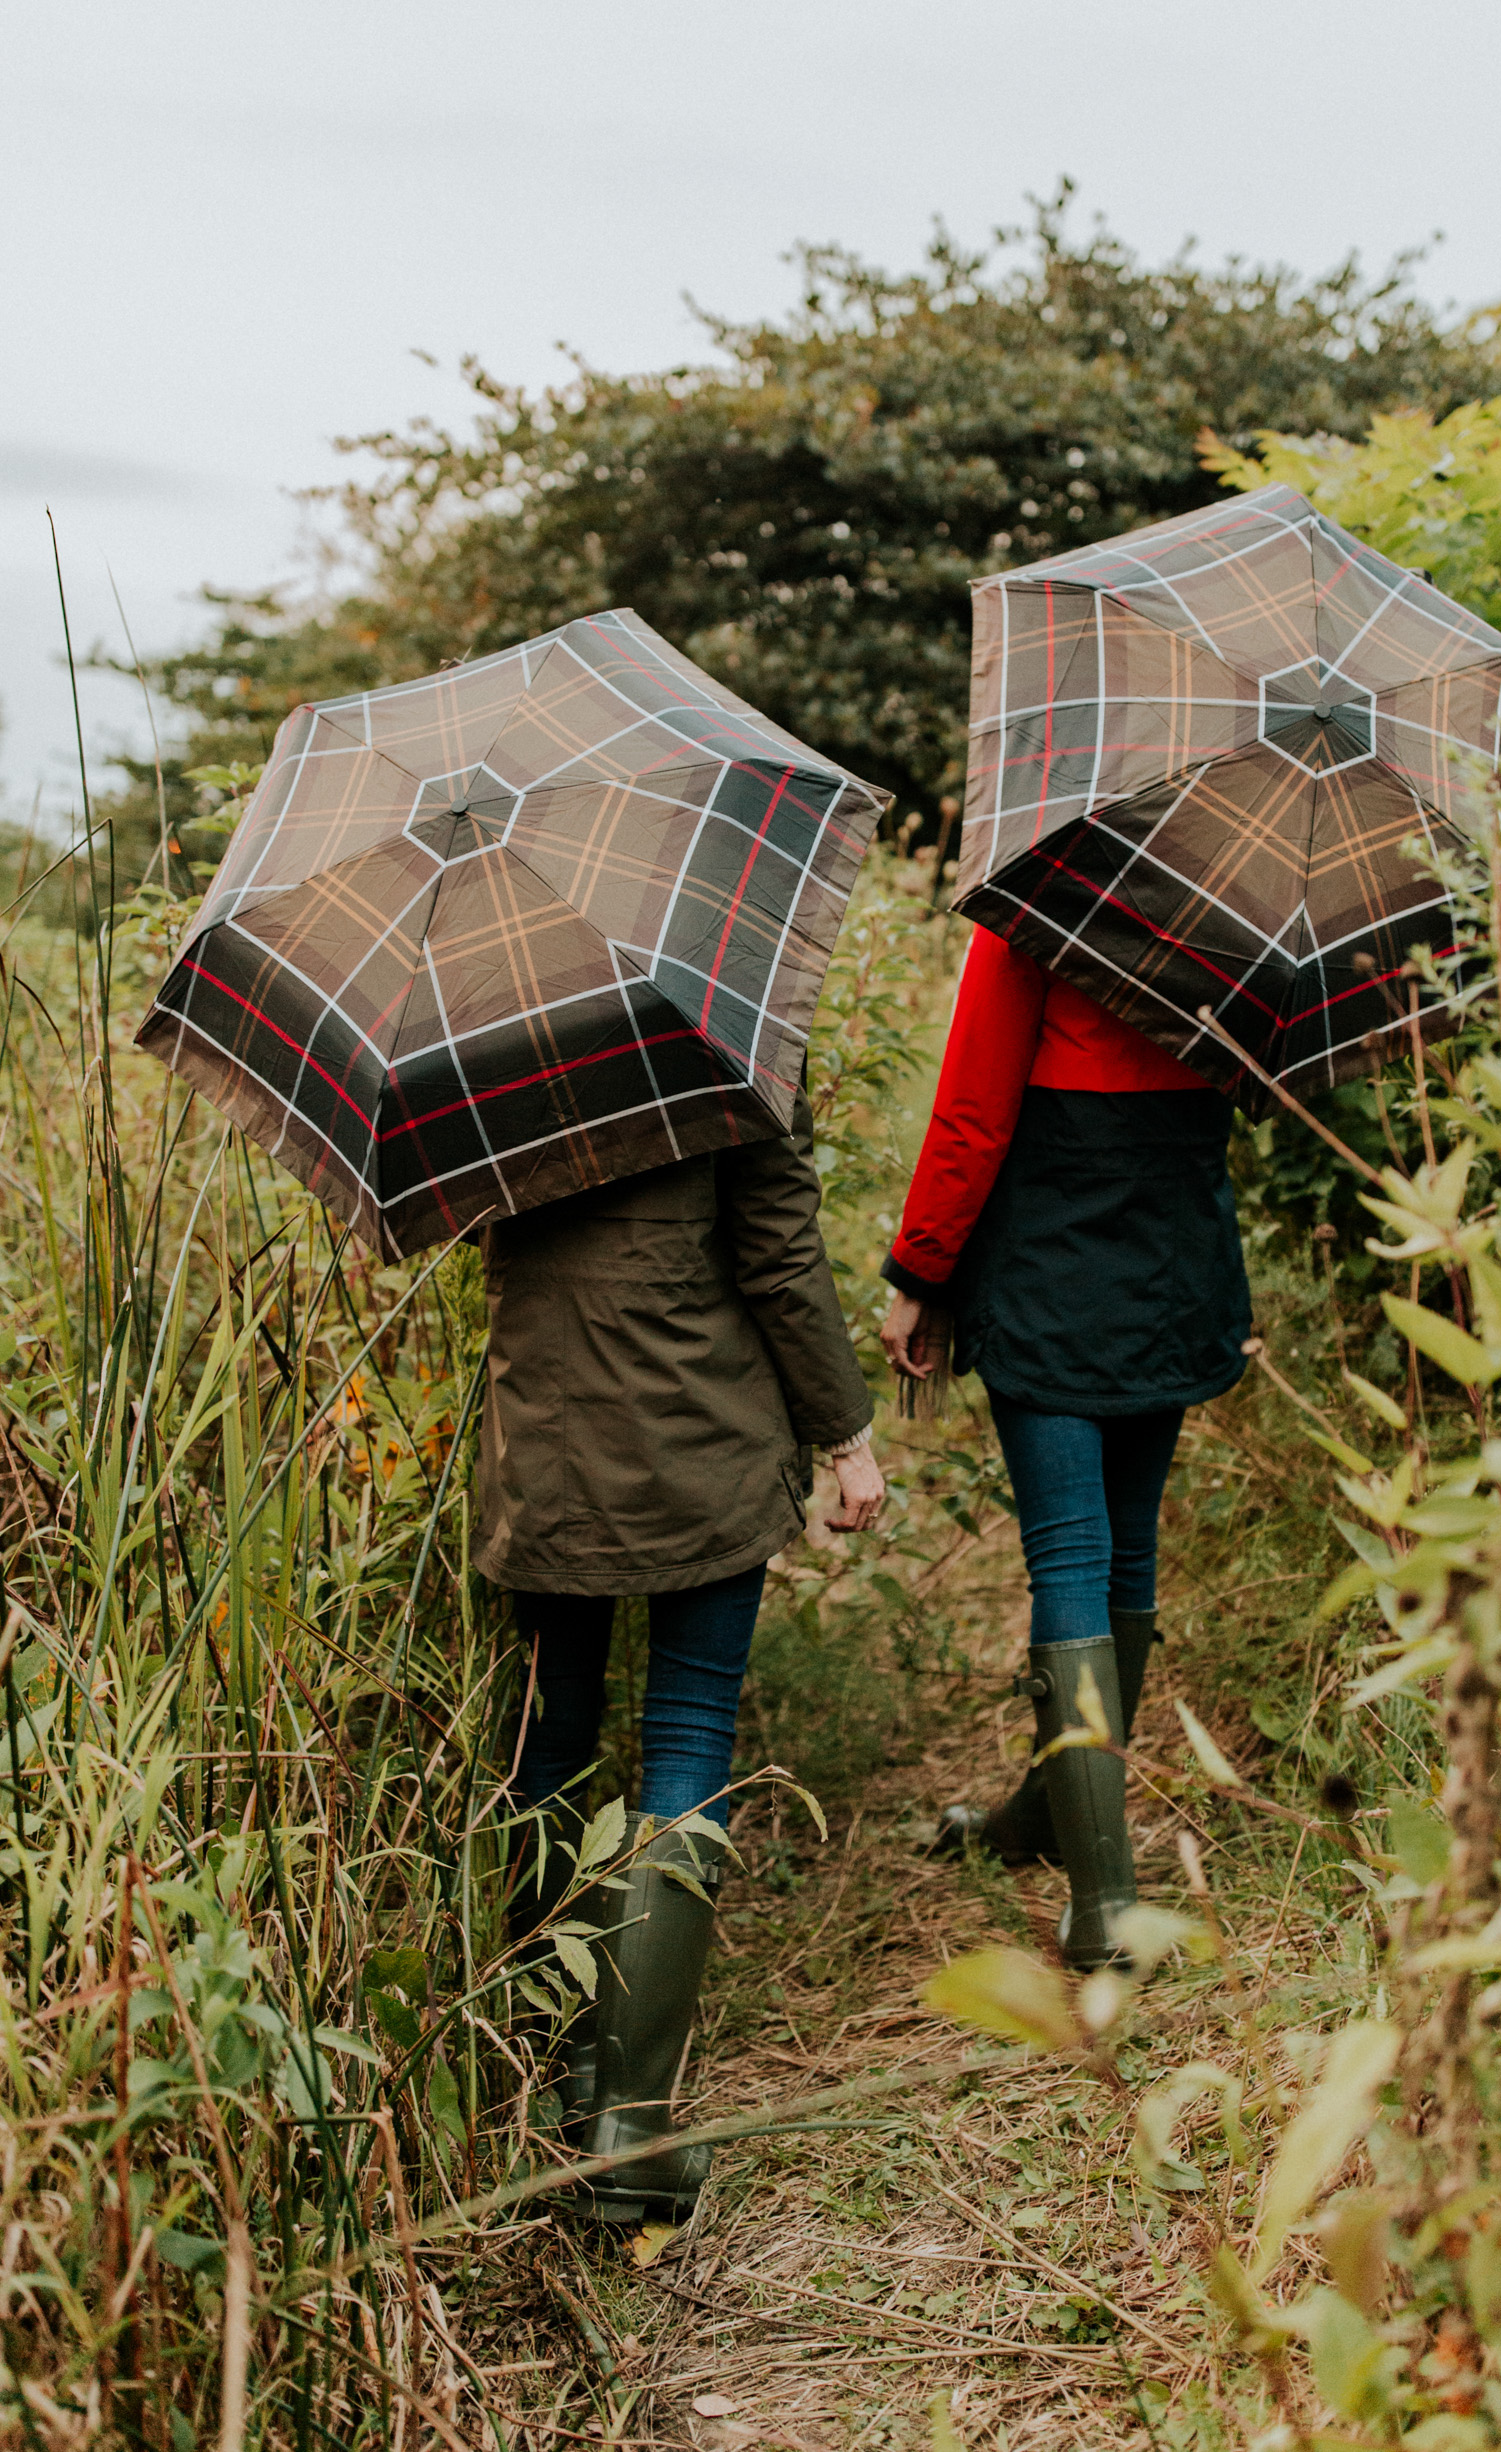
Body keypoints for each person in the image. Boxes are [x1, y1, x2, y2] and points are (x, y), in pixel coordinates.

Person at [477, 1090, 883, 2223]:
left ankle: (543, 2071)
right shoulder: (726, 1030)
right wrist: (846, 1438)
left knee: (546, 1739)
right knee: (690, 1725)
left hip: (543, 1443)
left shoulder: (492, 1025)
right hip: (700, 1434)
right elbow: (778, 1252)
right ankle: (629, 2128)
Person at [879, 926, 1252, 1968]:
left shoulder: (1041, 897)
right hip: (1174, 1257)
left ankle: (1103, 1908)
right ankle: (1055, 1814)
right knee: (1124, 1554)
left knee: (1072, 1560)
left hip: (1056, 1262)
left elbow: (973, 1107)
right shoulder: (1230, 888)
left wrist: (921, 1268)